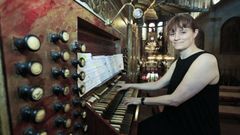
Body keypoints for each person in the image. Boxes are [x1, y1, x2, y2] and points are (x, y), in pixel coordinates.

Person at [117, 13, 220, 135]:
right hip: (175, 117)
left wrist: (140, 100)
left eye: (183, 32)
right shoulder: (179, 61)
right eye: (172, 33)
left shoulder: (206, 60)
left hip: (194, 125)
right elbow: (158, 84)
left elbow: (175, 99)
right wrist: (131, 86)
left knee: (141, 129)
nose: (176, 38)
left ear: (195, 33)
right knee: (141, 127)